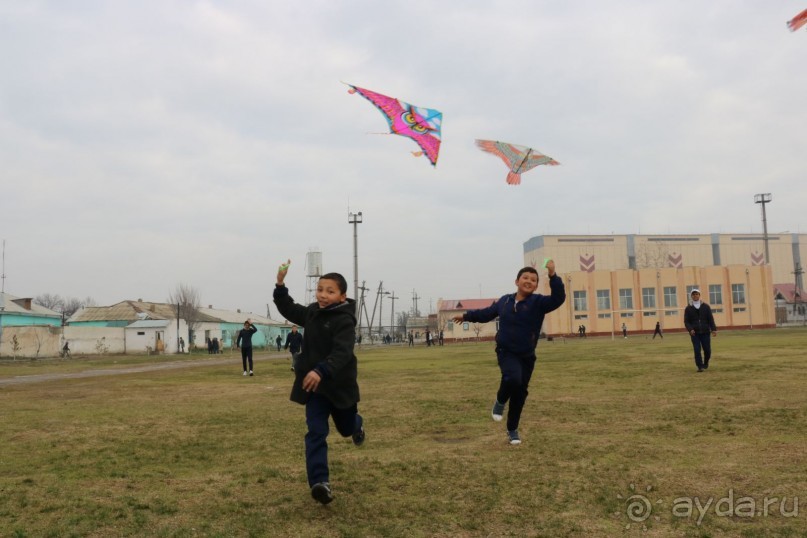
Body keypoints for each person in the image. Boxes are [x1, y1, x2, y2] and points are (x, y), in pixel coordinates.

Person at [273, 260, 364, 505]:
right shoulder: (313, 313)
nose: (323, 295)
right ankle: (320, 483)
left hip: (340, 386)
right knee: (316, 432)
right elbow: (289, 308)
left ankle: (357, 424)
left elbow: (342, 352)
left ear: (342, 296)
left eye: (330, 291)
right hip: (316, 389)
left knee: (346, 428)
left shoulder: (345, 321)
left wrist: (321, 370)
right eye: (320, 289)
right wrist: (280, 284)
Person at [452, 261, 565, 446]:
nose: (529, 281)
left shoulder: (538, 303)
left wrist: (553, 275)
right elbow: (486, 313)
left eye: (533, 280)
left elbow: (558, 298)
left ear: (536, 285)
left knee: (520, 393)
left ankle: (512, 430)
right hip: (506, 351)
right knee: (512, 378)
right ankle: (500, 400)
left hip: (527, 355)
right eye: (525, 278)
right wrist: (466, 316)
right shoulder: (504, 301)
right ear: (517, 281)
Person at [683, 289, 717, 372]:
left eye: (696, 294)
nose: (695, 295)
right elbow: (686, 321)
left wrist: (713, 329)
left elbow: (710, 319)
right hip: (695, 333)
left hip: (705, 332)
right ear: (691, 296)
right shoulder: (688, 308)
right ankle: (700, 366)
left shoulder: (706, 307)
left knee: (707, 350)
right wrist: (690, 329)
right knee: (697, 350)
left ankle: (705, 363)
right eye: (693, 294)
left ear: (699, 295)